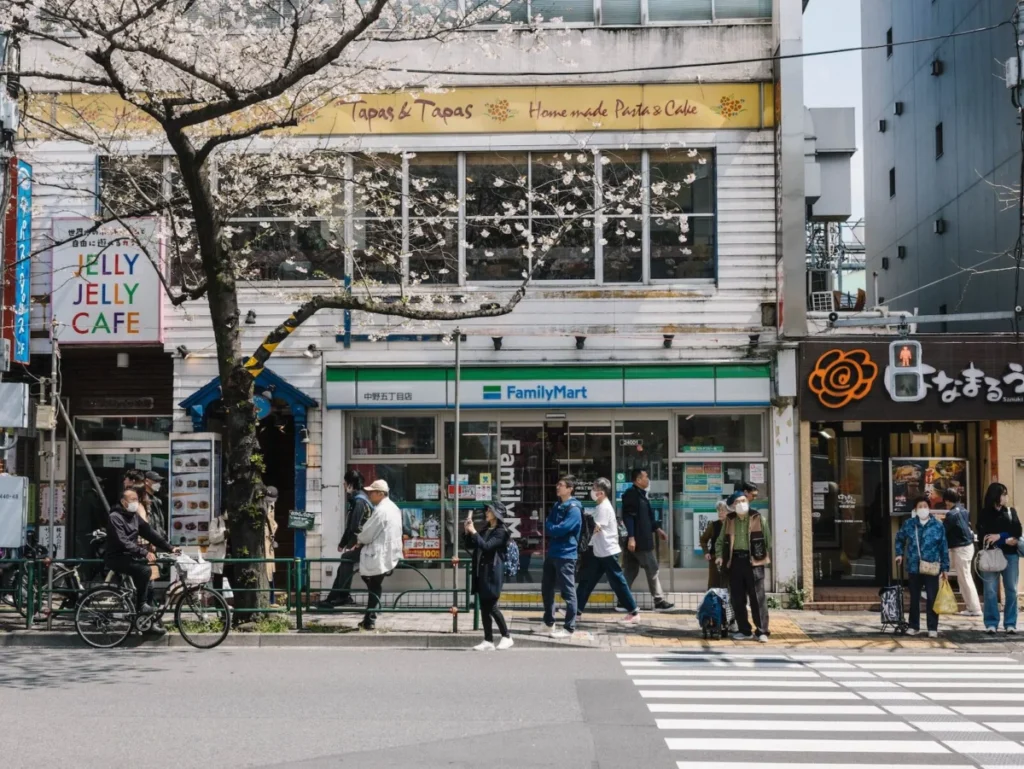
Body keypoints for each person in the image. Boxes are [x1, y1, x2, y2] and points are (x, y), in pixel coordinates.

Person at [104, 489, 178, 634]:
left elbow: (150, 533)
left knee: (149, 585)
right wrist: (144, 552)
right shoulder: (115, 517)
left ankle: (147, 624)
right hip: (116, 557)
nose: (135, 502)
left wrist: (170, 547)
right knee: (144, 571)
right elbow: (123, 541)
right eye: (132, 500)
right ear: (123, 502)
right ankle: (141, 606)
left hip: (130, 556)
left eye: (136, 499)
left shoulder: (134, 517)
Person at [576, 477, 640, 623]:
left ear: (601, 493)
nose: (592, 491)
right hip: (599, 551)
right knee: (587, 580)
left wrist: (583, 531)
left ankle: (634, 612)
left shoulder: (604, 507)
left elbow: (596, 528)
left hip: (607, 552)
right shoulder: (600, 506)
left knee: (617, 581)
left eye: (594, 489)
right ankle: (576, 611)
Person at [715, 492, 772, 642]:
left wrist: (760, 555)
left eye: (743, 500)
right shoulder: (730, 520)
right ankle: (744, 630)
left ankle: (762, 631)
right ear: (732, 506)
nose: (741, 504)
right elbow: (720, 541)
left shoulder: (758, 518)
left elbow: (768, 540)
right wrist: (720, 556)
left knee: (757, 597)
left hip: (754, 562)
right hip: (735, 562)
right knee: (737, 598)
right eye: (737, 502)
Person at [895, 496, 950, 638]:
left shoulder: (937, 525)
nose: (923, 509)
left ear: (929, 508)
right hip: (914, 566)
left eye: (925, 506)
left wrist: (945, 567)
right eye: (920, 506)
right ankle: (913, 626)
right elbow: (899, 538)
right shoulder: (909, 524)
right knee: (914, 598)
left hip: (932, 567)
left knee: (932, 598)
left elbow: (943, 547)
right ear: (915, 509)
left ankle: (932, 628)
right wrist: (899, 554)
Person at [319, 470, 375, 608]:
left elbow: (354, 526)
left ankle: (342, 596)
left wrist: (354, 543)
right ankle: (335, 597)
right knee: (344, 565)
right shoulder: (360, 499)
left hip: (364, 544)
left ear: (350, 484)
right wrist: (343, 543)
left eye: (345, 483)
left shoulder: (359, 501)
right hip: (362, 543)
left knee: (346, 560)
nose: (344, 486)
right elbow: (351, 526)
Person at [621, 468, 674, 610]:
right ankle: (659, 600)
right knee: (653, 568)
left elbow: (648, 517)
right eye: (645, 477)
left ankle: (622, 600)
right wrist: (632, 537)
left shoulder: (642, 495)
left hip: (639, 540)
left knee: (631, 570)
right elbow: (628, 517)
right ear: (638, 480)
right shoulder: (631, 494)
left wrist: (658, 529)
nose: (648, 479)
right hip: (639, 541)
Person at [464, 501, 514, 651]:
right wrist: (467, 531)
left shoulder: (502, 532)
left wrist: (474, 531)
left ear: (497, 514)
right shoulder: (486, 529)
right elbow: (472, 544)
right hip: (482, 571)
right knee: (484, 607)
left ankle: (506, 636)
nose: (486, 513)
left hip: (493, 572)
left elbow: (486, 547)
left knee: (491, 605)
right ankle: (488, 640)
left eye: (489, 511)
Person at [356, 479, 404, 631]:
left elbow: (367, 533)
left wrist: (359, 540)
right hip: (389, 551)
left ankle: (339, 598)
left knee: (371, 582)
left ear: (380, 493)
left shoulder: (381, 511)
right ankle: (369, 618)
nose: (369, 495)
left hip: (378, 553)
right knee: (374, 584)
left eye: (372, 492)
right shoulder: (394, 508)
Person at [976, 482, 1021, 634]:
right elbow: (984, 535)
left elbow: (1017, 531)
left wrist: (999, 537)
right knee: (990, 590)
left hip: (1010, 555)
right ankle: (991, 623)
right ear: (996, 495)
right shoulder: (984, 513)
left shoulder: (1010, 511)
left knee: (1012, 589)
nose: (1005, 497)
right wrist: (1006, 538)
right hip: (991, 555)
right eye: (1003, 494)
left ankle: (1010, 623)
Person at [542, 475, 583, 638]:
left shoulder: (574, 509)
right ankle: (548, 623)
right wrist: (553, 528)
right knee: (547, 588)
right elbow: (548, 524)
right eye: (557, 484)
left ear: (570, 489)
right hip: (553, 552)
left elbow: (562, 529)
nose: (557, 487)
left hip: (566, 554)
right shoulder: (557, 505)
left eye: (561, 485)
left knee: (568, 591)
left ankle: (569, 627)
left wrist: (553, 529)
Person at [942, 487, 981, 617]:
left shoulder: (952, 514)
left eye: (946, 501)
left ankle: (974, 608)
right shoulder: (964, 510)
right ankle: (972, 607)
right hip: (967, 547)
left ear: (948, 500)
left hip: (960, 548)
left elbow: (943, 530)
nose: (946, 503)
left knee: (964, 578)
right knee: (964, 577)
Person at [700, 501, 729, 590]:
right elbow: (703, 539)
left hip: (729, 560)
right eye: (719, 510)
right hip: (715, 559)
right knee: (714, 585)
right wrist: (706, 552)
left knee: (728, 585)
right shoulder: (713, 525)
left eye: (723, 510)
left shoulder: (732, 525)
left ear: (729, 512)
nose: (720, 513)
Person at [143, 471, 167, 540]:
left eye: (159, 482)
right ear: (147, 481)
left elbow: (158, 522)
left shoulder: (156, 500)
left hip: (158, 539)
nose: (158, 484)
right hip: (148, 540)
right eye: (156, 481)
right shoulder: (142, 499)